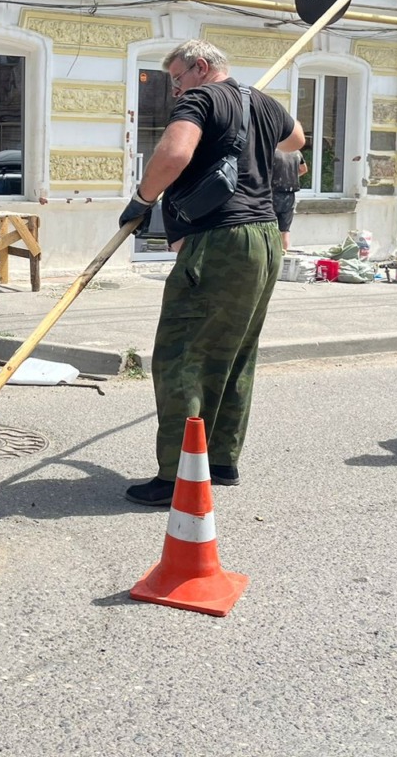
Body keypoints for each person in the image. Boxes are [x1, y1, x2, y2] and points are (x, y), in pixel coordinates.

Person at [118, 39, 306, 505]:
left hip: (220, 240)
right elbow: (296, 140)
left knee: (182, 356)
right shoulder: (261, 101)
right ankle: (220, 461)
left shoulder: (202, 99)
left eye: (177, 81)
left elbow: (175, 155)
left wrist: (142, 200)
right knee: (235, 352)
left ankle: (178, 475)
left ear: (200, 68)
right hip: (264, 238)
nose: (176, 92)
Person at [271, 148, 308, 249]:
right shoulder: (296, 152)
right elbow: (304, 169)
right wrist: (292, 176)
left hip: (272, 194)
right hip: (289, 196)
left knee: (269, 229)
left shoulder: (272, 150)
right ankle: (283, 257)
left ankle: (270, 259)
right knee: (285, 231)